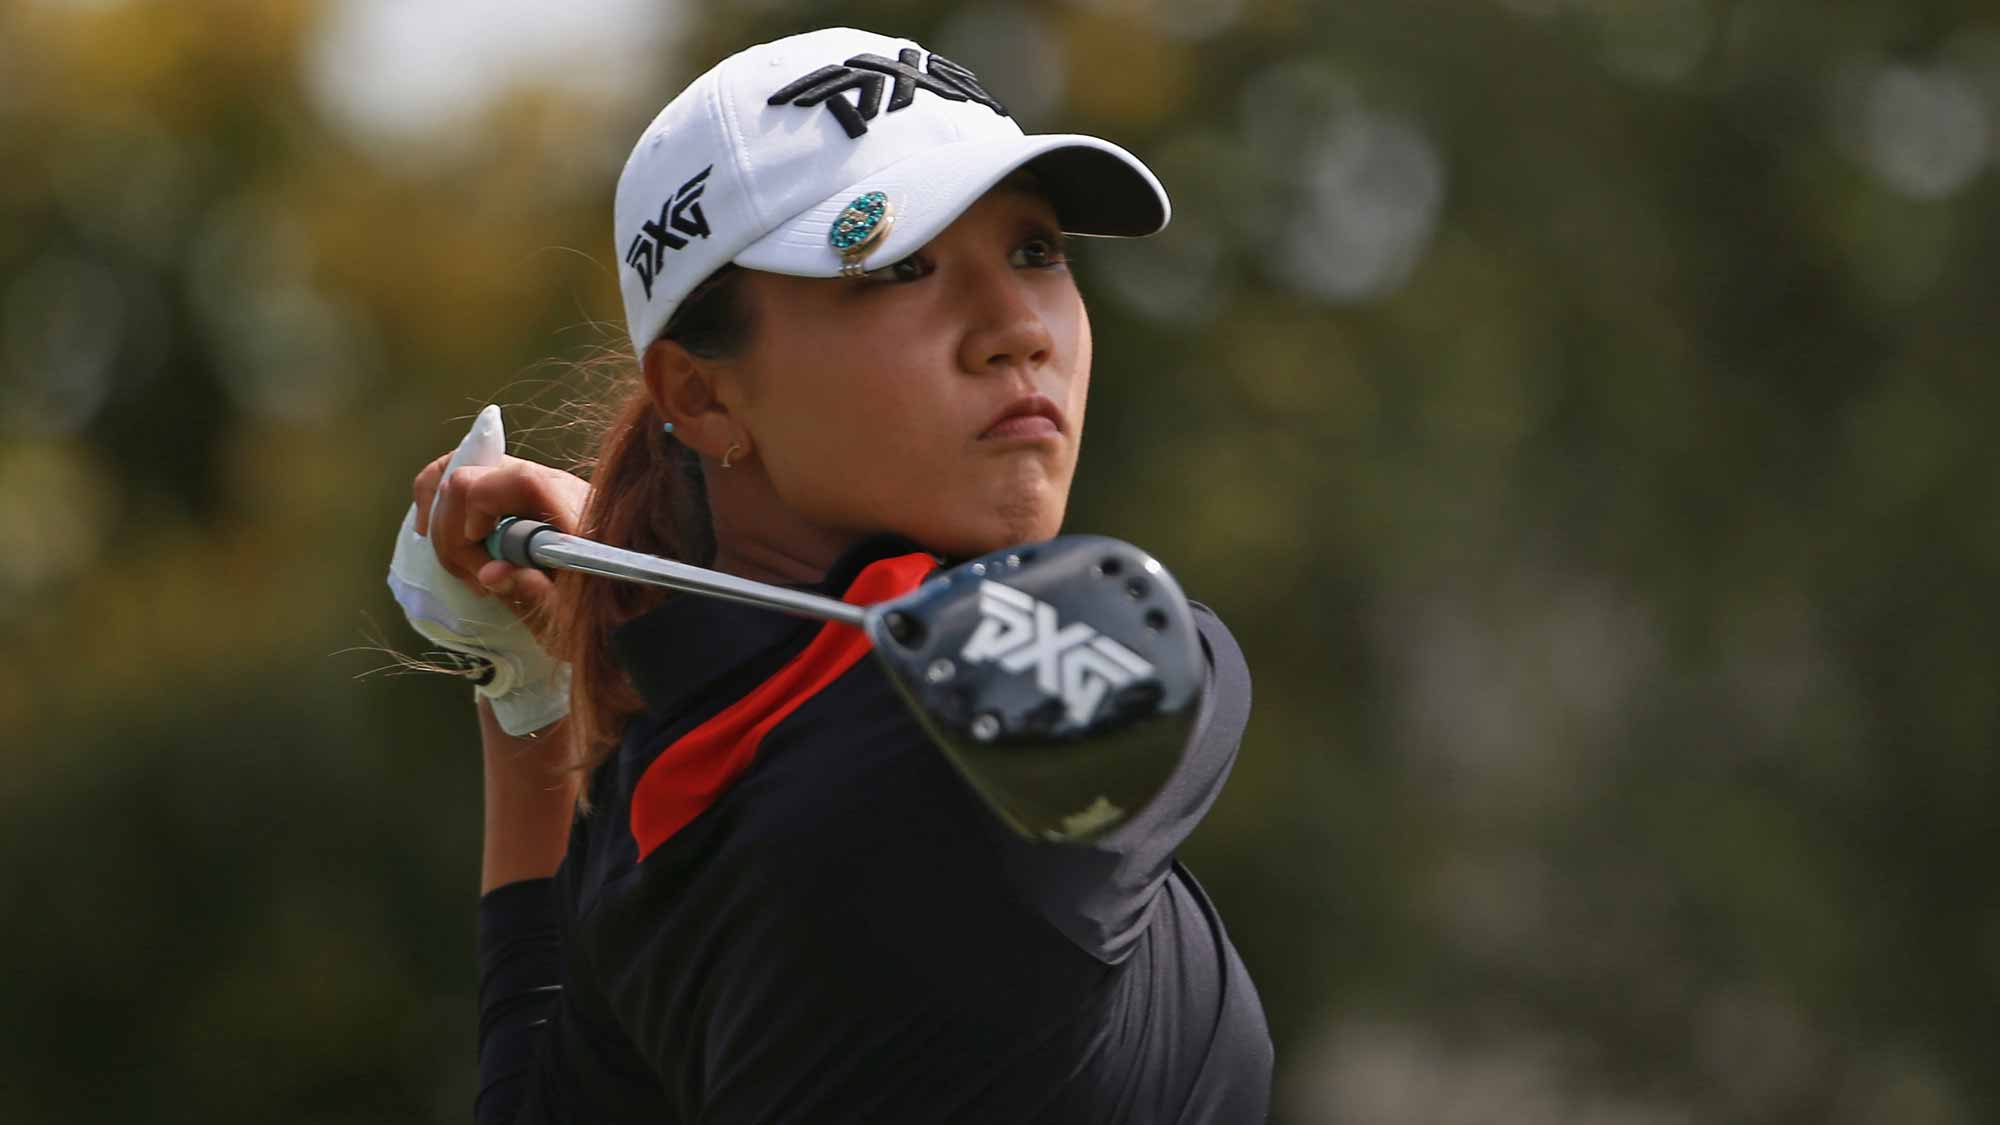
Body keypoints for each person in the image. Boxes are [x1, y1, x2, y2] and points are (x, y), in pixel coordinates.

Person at [389, 26, 1271, 1124]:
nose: (1015, 330)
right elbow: (1154, 652)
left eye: (1035, 250)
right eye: (897, 266)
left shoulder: (669, 807)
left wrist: (526, 699)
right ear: (702, 396)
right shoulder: (970, 731)